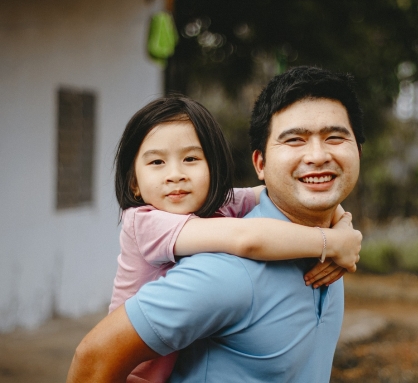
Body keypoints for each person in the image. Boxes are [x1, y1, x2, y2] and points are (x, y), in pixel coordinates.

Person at [67, 65, 365, 382]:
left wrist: (342, 223)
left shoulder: (222, 206)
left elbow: (300, 189)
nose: (318, 156)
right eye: (294, 140)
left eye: (334, 137)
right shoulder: (216, 265)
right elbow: (94, 358)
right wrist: (332, 242)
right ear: (260, 163)